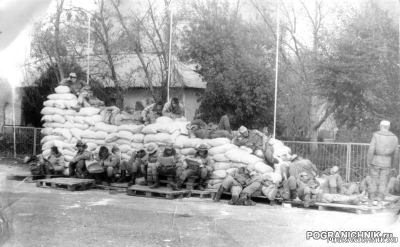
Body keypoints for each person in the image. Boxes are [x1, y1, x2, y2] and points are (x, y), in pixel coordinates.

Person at [366, 120, 399, 206]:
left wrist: (368, 161)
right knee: (383, 182)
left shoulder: (376, 135)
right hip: (387, 163)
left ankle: (370, 201)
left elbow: (371, 149)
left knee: (373, 180)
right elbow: (396, 154)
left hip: (375, 161)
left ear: (382, 126)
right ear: (388, 127)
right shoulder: (395, 138)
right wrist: (393, 166)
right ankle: (380, 201)